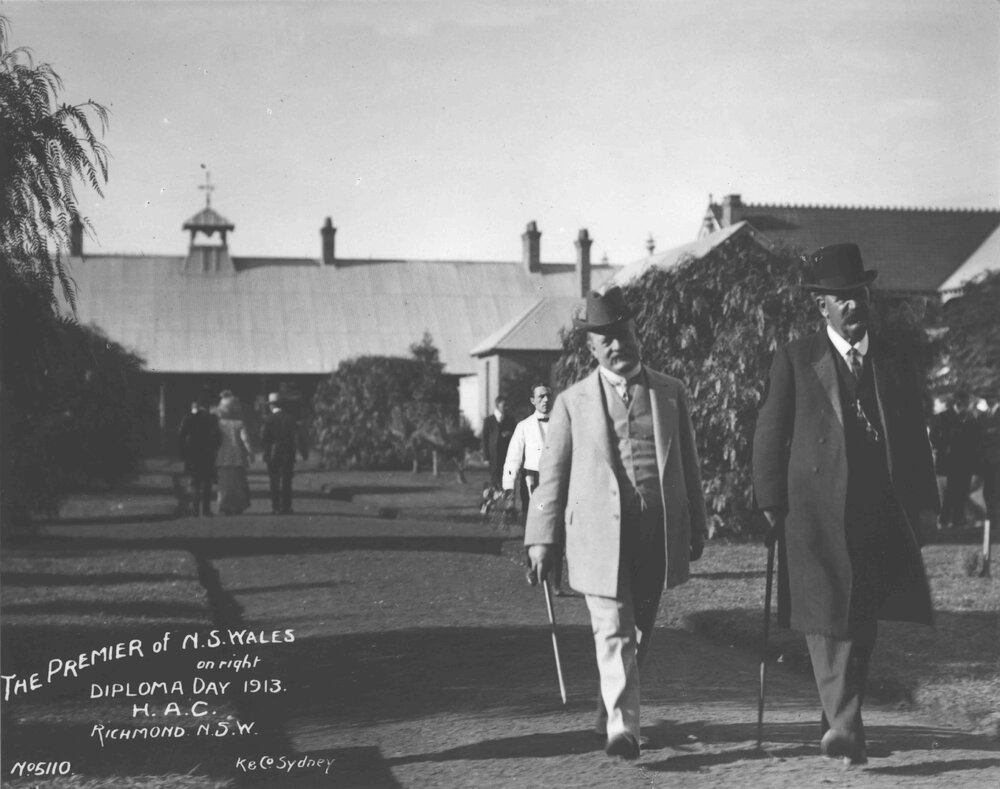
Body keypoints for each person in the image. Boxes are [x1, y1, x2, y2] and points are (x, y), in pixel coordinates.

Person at [752, 243, 937, 766]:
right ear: (822, 307)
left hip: (876, 509)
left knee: (862, 621)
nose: (852, 305)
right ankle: (844, 727)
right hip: (812, 511)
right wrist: (769, 502)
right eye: (840, 298)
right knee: (824, 615)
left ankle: (837, 717)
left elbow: (914, 437)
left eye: (857, 294)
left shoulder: (892, 362)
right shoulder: (795, 359)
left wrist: (925, 504)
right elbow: (770, 434)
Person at [525, 287, 708, 761]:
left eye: (622, 333)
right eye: (604, 339)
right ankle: (623, 730)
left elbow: (688, 466)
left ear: (635, 332)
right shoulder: (571, 403)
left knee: (639, 632)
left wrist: (698, 524)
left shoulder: (670, 392)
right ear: (590, 348)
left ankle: (610, 710)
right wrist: (541, 540)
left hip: (656, 536)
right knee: (613, 629)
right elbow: (551, 479)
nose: (616, 345)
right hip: (598, 537)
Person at [501, 383, 563, 593]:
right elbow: (512, 459)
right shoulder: (524, 426)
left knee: (557, 528)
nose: (546, 400)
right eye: (541, 396)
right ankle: (532, 567)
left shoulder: (562, 423)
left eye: (548, 396)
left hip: (555, 479)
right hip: (532, 481)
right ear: (533, 401)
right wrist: (508, 490)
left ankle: (556, 581)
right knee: (534, 525)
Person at [260, 392, 308, 514]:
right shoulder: (289, 418)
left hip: (272, 453)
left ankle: (275, 507)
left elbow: (264, 438)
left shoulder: (268, 419)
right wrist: (303, 452)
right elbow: (297, 437)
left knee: (274, 481)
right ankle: (286, 507)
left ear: (271, 406)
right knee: (287, 481)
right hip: (288, 453)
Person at [177, 395, 220, 516]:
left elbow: (181, 435)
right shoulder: (211, 419)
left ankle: (195, 509)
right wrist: (214, 450)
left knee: (195, 482)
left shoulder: (188, 418)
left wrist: (183, 453)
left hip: (192, 454)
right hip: (207, 454)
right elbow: (217, 437)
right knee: (207, 483)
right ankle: (206, 510)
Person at [215, 393, 253, 515]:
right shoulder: (239, 424)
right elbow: (245, 439)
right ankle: (238, 505)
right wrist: (250, 453)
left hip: (222, 457)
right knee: (238, 483)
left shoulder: (219, 424)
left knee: (224, 483)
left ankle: (224, 505)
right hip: (238, 457)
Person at [481, 395, 516, 489]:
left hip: (507, 455)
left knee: (507, 480)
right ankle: (493, 499)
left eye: (507, 405)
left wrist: (510, 434)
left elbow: (516, 437)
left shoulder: (510, 420)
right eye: (504, 405)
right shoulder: (489, 420)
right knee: (494, 480)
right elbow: (484, 439)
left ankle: (507, 500)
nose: (507, 407)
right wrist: (485, 457)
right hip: (493, 457)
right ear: (497, 405)